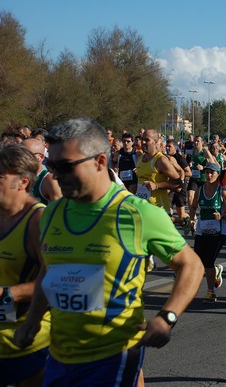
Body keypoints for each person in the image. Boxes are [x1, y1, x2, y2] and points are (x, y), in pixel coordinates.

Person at [13, 118, 203, 387]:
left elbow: (190, 265)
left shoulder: (138, 214)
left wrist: (167, 317)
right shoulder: (52, 213)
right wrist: (32, 322)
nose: (54, 175)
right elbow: (50, 270)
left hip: (113, 358)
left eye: (64, 166)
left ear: (100, 162)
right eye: (51, 165)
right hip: (59, 358)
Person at [0, 145, 51, 387]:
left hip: (29, 344)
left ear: (22, 182)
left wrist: (9, 294)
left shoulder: (38, 220)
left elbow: (57, 279)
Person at [135, 129, 183, 271]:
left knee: (168, 250)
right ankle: (148, 262)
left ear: (156, 142)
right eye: (142, 139)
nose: (143, 142)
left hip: (159, 210)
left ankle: (188, 267)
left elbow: (179, 184)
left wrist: (157, 185)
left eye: (147, 140)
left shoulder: (161, 160)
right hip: (142, 210)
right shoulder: (139, 158)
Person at [189, 162, 226, 303]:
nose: (208, 175)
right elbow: (194, 206)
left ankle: (210, 292)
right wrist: (191, 219)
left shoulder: (222, 191)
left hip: (219, 230)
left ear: (217, 174)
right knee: (199, 262)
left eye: (211, 173)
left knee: (208, 261)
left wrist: (222, 216)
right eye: (206, 172)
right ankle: (216, 273)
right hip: (202, 229)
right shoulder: (200, 190)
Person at [22, 138, 62, 204]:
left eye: (25, 155)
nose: (20, 158)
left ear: (40, 157)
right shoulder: (18, 177)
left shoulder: (49, 180)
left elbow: (60, 210)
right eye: (18, 154)